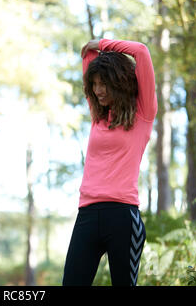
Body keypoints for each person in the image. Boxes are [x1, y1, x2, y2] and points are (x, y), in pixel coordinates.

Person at [62, 38, 157, 286]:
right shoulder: (98, 116)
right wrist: (91, 52)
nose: (97, 90)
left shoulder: (143, 114)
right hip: (87, 215)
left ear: (119, 82)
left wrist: (103, 43)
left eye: (103, 83)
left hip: (123, 217)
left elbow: (141, 52)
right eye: (94, 84)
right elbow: (88, 57)